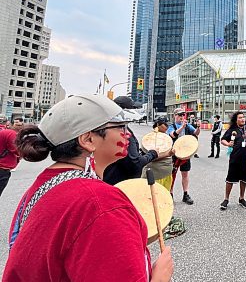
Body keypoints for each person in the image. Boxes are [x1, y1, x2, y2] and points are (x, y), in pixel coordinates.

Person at [3, 94, 173, 281]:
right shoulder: (101, 204)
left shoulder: (45, 183)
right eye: (120, 127)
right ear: (88, 140)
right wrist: (159, 277)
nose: (128, 134)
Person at [103, 96, 171, 185]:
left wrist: (142, 153)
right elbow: (135, 164)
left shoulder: (108, 127)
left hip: (110, 179)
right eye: (133, 108)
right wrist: (152, 153)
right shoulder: (122, 132)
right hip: (122, 183)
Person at [220, 111, 246, 210]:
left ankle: (241, 198)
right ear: (236, 120)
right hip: (235, 158)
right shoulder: (232, 130)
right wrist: (228, 144)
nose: (242, 119)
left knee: (244, 179)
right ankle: (226, 199)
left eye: (243, 117)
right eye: (240, 117)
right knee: (230, 179)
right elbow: (223, 139)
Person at [168, 108, 200, 205]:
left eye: (183, 115)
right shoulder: (172, 126)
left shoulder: (188, 126)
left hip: (185, 153)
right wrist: (182, 127)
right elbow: (172, 135)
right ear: (175, 116)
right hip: (174, 153)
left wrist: (198, 127)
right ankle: (170, 194)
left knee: (185, 174)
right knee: (172, 174)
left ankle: (185, 194)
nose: (181, 117)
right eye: (179, 115)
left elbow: (196, 133)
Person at [142, 118, 175, 193]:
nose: (167, 127)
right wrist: (168, 154)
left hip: (167, 173)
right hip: (154, 174)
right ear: (158, 125)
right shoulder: (149, 139)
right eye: (165, 124)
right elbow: (149, 158)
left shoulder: (166, 137)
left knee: (164, 195)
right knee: (152, 197)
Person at [0, 120, 22, 196]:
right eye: (17, 125)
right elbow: (17, 150)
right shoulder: (11, 133)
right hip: (2, 167)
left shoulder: (3, 131)